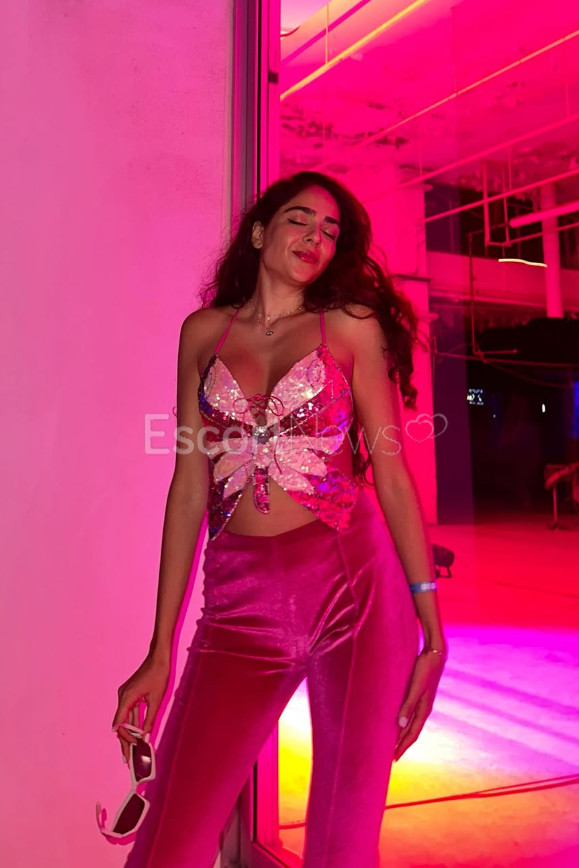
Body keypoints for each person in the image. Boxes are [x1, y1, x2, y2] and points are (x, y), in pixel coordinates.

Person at [111, 171, 447, 868]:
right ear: (261, 232)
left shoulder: (350, 328)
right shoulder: (203, 333)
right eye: (300, 219)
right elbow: (188, 488)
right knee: (169, 841)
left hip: (354, 591)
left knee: (342, 843)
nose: (316, 237)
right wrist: (159, 649)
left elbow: (391, 475)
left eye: (330, 231)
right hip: (241, 603)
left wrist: (431, 624)